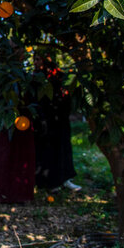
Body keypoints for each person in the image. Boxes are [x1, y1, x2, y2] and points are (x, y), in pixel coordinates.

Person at [0, 73, 35, 205]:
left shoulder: (19, 75)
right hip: (1, 122)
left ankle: (13, 194)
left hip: (14, 123)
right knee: (0, 157)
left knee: (13, 158)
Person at [32, 54, 80, 192]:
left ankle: (64, 179)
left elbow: (66, 96)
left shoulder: (59, 76)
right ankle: (49, 183)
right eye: (34, 59)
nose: (36, 62)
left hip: (59, 119)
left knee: (63, 149)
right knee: (46, 152)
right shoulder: (35, 78)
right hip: (43, 120)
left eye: (38, 59)